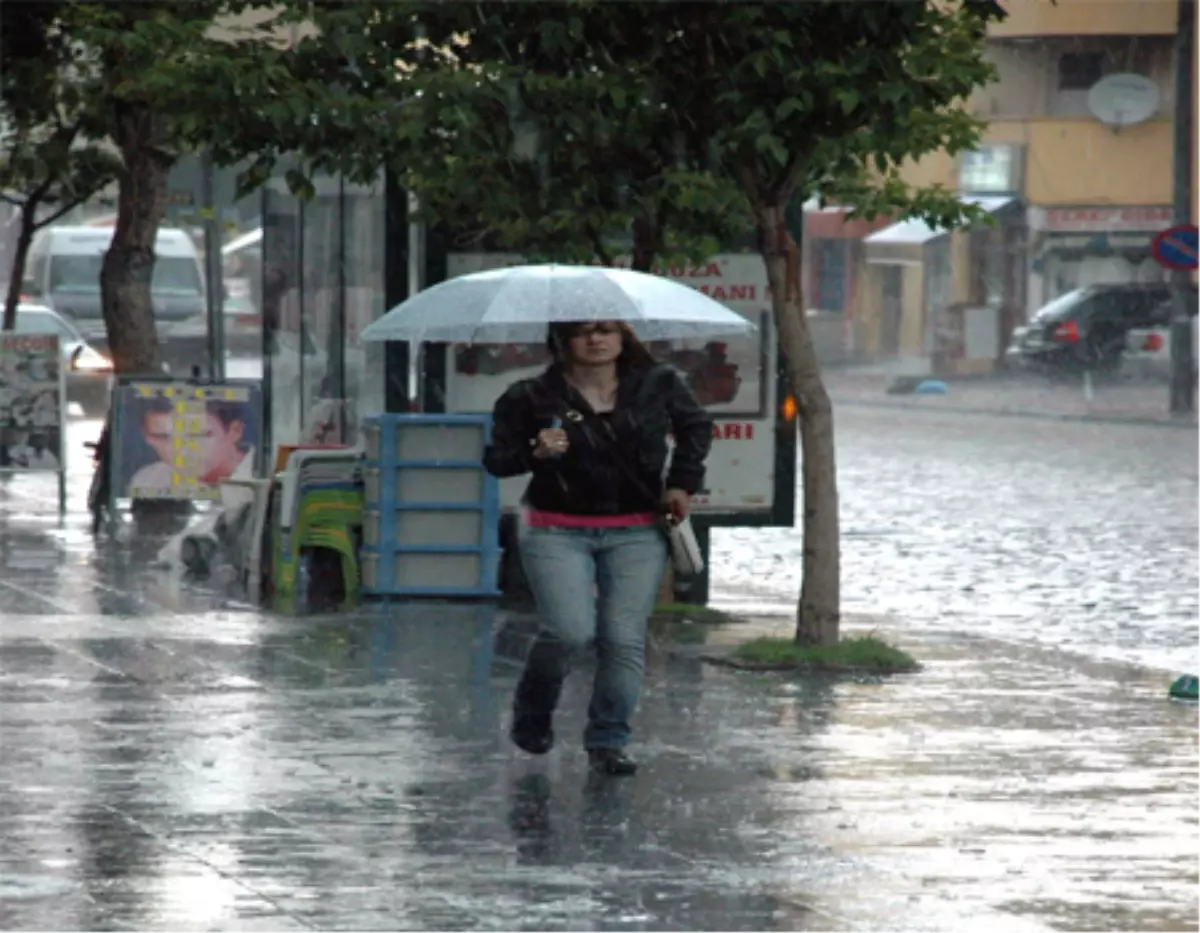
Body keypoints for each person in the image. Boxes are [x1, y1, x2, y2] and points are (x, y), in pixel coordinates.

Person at [483, 320, 713, 776]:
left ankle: (608, 740)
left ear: (623, 337)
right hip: (554, 529)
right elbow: (496, 460)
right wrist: (535, 451)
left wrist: (682, 483)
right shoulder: (529, 395)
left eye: (607, 329)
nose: (596, 339)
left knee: (623, 637)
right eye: (582, 331)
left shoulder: (657, 383)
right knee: (571, 631)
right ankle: (533, 709)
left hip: (637, 530)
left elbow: (696, 428)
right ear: (561, 341)